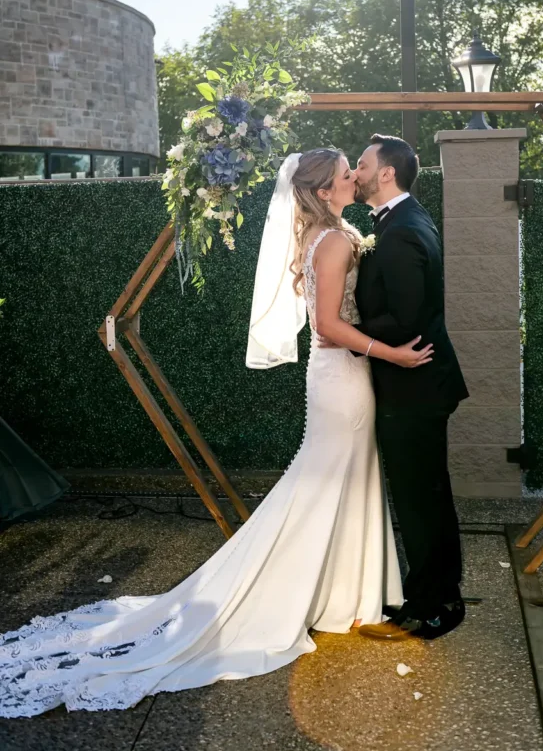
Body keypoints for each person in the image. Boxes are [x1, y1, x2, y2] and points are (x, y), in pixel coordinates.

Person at [0, 148, 431, 718]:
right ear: (324, 191)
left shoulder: (331, 235)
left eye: (355, 168)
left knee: (337, 481)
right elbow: (327, 327)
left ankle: (338, 594)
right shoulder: (332, 243)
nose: (355, 176)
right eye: (346, 172)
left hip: (341, 379)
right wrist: (393, 354)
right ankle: (316, 592)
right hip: (343, 378)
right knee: (326, 482)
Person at [352, 134, 469, 642]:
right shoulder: (400, 220)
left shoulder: (399, 232)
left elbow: (403, 320)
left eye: (360, 164)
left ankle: (437, 603)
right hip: (419, 384)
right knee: (426, 495)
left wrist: (347, 331)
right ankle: (428, 590)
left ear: (385, 174)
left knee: (421, 500)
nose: (354, 172)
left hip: (413, 385)